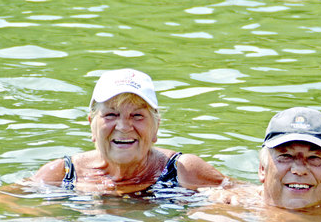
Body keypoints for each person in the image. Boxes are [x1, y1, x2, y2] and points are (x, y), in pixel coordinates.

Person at [30, 68, 225, 195]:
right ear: (92, 125)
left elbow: (246, 198)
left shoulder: (183, 171)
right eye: (111, 115)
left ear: (156, 126)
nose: (123, 127)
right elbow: (10, 210)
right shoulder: (60, 175)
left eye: (137, 116)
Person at [205, 106, 321, 210]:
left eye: (313, 157)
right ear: (262, 169)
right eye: (286, 156)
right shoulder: (228, 212)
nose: (299, 169)